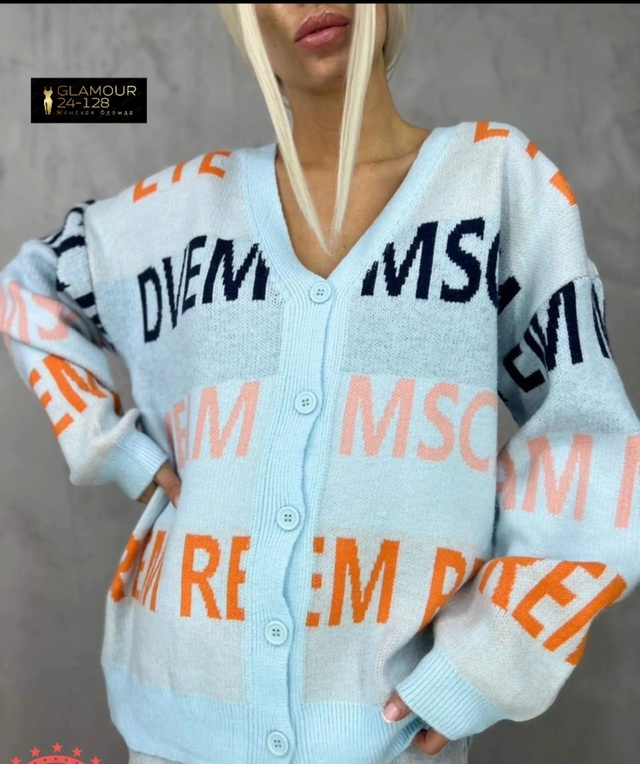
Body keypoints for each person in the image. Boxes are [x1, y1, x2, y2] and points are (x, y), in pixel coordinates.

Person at [1, 4, 639, 764]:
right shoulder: (179, 213)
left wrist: (486, 664)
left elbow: (593, 444)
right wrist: (117, 451)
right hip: (179, 725)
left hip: (388, 735)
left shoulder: (493, 183)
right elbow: (29, 290)